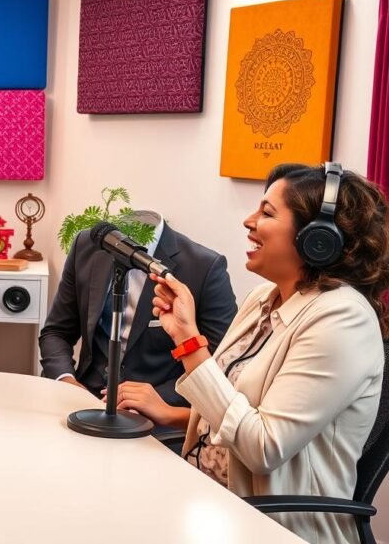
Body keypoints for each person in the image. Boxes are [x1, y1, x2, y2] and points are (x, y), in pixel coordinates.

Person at [126, 163, 389, 543]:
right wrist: (174, 415)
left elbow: (263, 448)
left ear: (317, 238)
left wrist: (189, 341)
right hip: (207, 505)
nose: (248, 222)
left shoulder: (343, 320)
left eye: (267, 213)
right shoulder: (261, 298)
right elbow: (239, 413)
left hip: (273, 527)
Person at [39, 211, 237, 409]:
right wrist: (66, 380)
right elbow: (56, 332)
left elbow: (222, 362)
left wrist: (157, 401)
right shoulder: (88, 245)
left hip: (156, 412)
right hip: (84, 400)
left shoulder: (204, 267)